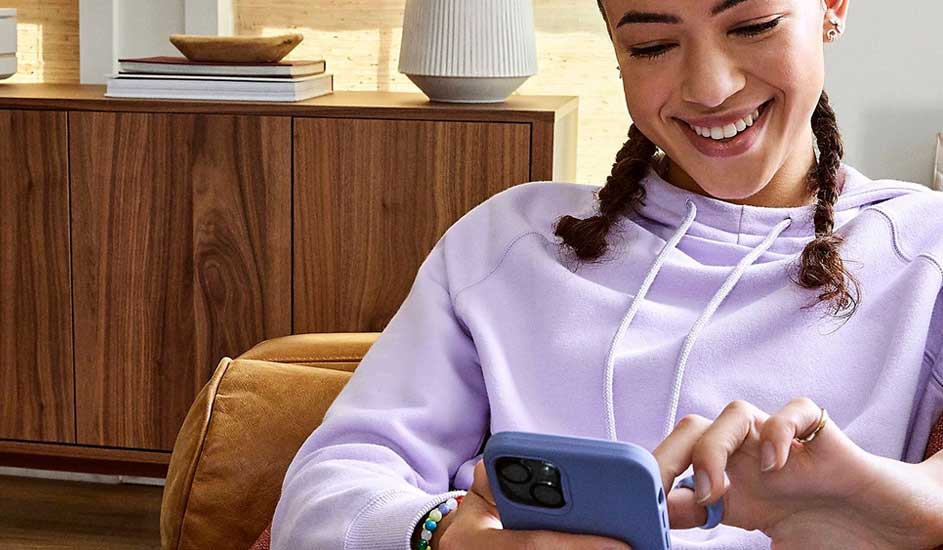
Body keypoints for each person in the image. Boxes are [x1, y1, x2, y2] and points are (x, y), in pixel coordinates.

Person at [271, 0, 943, 548]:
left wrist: (904, 509)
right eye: (651, 44)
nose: (709, 87)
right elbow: (326, 492)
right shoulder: (510, 240)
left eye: (752, 26)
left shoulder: (922, 247)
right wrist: (442, 536)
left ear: (830, 7)